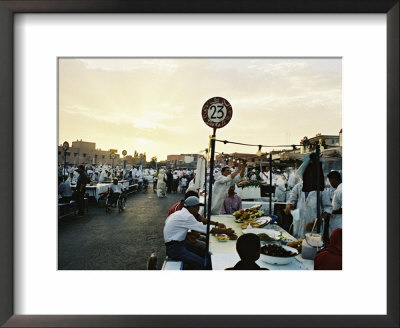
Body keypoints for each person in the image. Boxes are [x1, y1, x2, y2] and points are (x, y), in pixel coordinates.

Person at [164, 196, 235, 269]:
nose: (198, 210)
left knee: (204, 249)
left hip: (179, 243)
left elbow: (172, 229)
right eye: (197, 208)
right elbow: (206, 229)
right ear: (191, 207)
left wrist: (187, 235)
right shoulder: (187, 216)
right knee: (201, 263)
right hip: (174, 248)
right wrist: (226, 231)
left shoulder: (179, 213)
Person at [284, 153, 332, 239]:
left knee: (311, 246)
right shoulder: (298, 187)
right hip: (298, 224)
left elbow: (328, 208)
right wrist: (289, 207)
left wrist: (319, 220)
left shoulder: (321, 190)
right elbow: (291, 201)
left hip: (314, 227)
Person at [327, 171, 342, 237]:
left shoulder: (340, 191)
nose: (330, 184)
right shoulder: (339, 189)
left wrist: (331, 212)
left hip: (338, 223)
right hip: (336, 223)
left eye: (330, 181)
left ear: (334, 179)